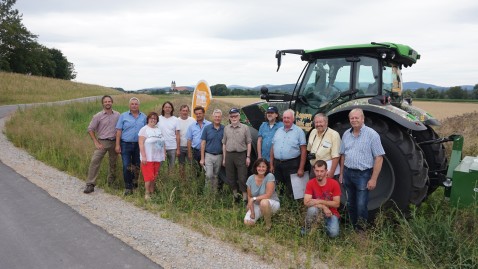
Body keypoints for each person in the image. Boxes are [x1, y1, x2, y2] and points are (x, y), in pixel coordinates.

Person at [339, 108, 385, 231]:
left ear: (362, 119)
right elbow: (343, 155)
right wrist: (342, 173)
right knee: (350, 204)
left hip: (363, 175)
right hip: (348, 173)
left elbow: (379, 157)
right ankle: (353, 227)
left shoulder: (372, 135)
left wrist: (373, 179)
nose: (354, 120)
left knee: (361, 205)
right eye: (352, 118)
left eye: (356, 118)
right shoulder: (346, 134)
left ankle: (361, 231)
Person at [83, 95, 120, 194]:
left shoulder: (117, 115)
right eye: (105, 102)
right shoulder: (98, 116)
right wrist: (96, 142)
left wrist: (118, 143)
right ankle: (90, 184)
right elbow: (90, 129)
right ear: (103, 103)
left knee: (113, 163)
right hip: (102, 142)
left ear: (112, 102)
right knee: (95, 161)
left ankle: (111, 182)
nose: (107, 103)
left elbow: (120, 129)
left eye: (109, 101)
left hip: (114, 142)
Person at [270, 109, 307, 198]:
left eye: (288, 118)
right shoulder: (278, 131)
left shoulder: (299, 131)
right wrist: (271, 164)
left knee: (292, 188)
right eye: (284, 117)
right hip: (277, 163)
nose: (286, 120)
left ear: (293, 119)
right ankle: (280, 204)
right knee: (279, 186)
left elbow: (303, 150)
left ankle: (293, 206)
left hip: (292, 164)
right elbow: (272, 148)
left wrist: (301, 168)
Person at [115, 97, 147, 195]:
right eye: (132, 104)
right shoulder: (123, 116)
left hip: (139, 145)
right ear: (129, 105)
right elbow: (119, 131)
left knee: (137, 166)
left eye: (136, 104)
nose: (134, 105)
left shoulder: (144, 117)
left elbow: (147, 130)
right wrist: (117, 145)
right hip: (126, 144)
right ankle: (128, 187)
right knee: (126, 166)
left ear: (139, 105)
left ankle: (135, 185)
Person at [302, 160, 341, 238]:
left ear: (326, 171)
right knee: (312, 210)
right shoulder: (310, 183)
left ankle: (321, 226)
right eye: (317, 171)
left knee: (333, 234)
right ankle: (307, 229)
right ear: (314, 170)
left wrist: (318, 201)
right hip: (317, 210)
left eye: (322, 171)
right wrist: (324, 207)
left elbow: (337, 204)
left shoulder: (334, 183)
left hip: (331, 213)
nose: (319, 174)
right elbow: (306, 202)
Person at [222, 108, 252, 204]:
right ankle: (235, 196)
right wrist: (224, 158)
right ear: (229, 117)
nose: (234, 118)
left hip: (241, 155)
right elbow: (224, 144)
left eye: (235, 116)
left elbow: (249, 143)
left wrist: (248, 157)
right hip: (229, 155)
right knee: (230, 177)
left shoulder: (245, 128)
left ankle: (244, 198)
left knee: (242, 177)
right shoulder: (226, 128)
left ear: (239, 117)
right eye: (232, 116)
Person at [244, 158, 280, 231]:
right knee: (247, 222)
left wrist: (254, 199)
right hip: (257, 204)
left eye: (263, 166)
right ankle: (260, 222)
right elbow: (249, 196)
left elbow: (268, 195)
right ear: (256, 167)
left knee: (264, 202)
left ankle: (268, 225)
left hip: (271, 203)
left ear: (267, 168)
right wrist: (252, 212)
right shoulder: (250, 178)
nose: (261, 169)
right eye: (259, 166)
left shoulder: (270, 176)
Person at [138, 112, 166, 200]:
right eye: (151, 118)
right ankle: (146, 193)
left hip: (157, 157)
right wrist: (144, 156)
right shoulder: (144, 129)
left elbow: (162, 142)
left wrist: (163, 153)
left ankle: (152, 192)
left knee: (154, 176)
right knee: (148, 177)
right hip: (148, 157)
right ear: (148, 119)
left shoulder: (158, 129)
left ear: (157, 120)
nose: (153, 120)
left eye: (155, 118)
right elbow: (141, 144)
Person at [307, 113, 341, 179]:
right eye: (316, 122)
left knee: (326, 189)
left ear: (326, 123)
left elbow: (336, 156)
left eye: (320, 122)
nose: (318, 124)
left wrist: (332, 172)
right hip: (314, 169)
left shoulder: (334, 135)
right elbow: (309, 149)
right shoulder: (313, 132)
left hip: (326, 170)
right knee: (313, 188)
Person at [200, 109, 224, 192]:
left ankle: (213, 194)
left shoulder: (224, 129)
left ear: (221, 118)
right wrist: (202, 158)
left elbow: (225, 145)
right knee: (209, 175)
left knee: (216, 176)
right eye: (216, 116)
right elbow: (203, 143)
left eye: (219, 117)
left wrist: (224, 158)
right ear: (213, 117)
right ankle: (207, 194)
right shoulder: (207, 128)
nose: (217, 118)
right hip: (208, 155)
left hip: (219, 156)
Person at [158, 101, 180, 172]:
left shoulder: (176, 120)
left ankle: (170, 180)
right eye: (166, 107)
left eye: (169, 107)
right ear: (163, 108)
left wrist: (178, 149)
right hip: (160, 147)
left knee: (171, 167)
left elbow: (177, 135)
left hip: (172, 147)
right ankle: (160, 181)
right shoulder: (158, 119)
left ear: (172, 109)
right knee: (159, 167)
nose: (167, 109)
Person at [177, 105, 196, 176]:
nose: (185, 112)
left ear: (188, 111)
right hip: (181, 146)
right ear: (180, 111)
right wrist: (178, 148)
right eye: (183, 111)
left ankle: (192, 179)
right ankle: (183, 181)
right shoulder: (177, 120)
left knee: (192, 165)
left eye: (186, 111)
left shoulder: (192, 120)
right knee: (181, 165)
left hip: (190, 147)